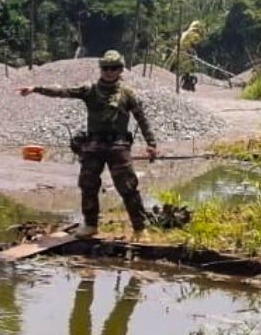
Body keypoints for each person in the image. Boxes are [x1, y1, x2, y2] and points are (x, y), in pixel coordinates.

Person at [18, 50, 159, 237]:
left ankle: (140, 228)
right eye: (106, 68)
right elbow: (63, 91)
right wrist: (36, 89)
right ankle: (90, 225)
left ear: (120, 70)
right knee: (88, 184)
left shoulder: (127, 93)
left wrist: (151, 143)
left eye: (114, 68)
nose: (109, 72)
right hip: (93, 146)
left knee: (127, 187)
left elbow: (142, 118)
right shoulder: (90, 90)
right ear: (101, 69)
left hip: (118, 146)